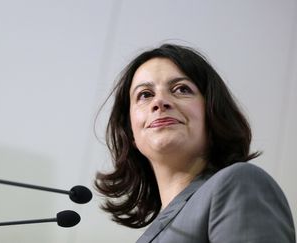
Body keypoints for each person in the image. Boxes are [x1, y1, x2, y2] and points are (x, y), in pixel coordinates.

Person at [95, 43, 295, 242]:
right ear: (131, 133)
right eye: (145, 95)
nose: (160, 102)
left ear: (212, 112)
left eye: (181, 89)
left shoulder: (239, 183)